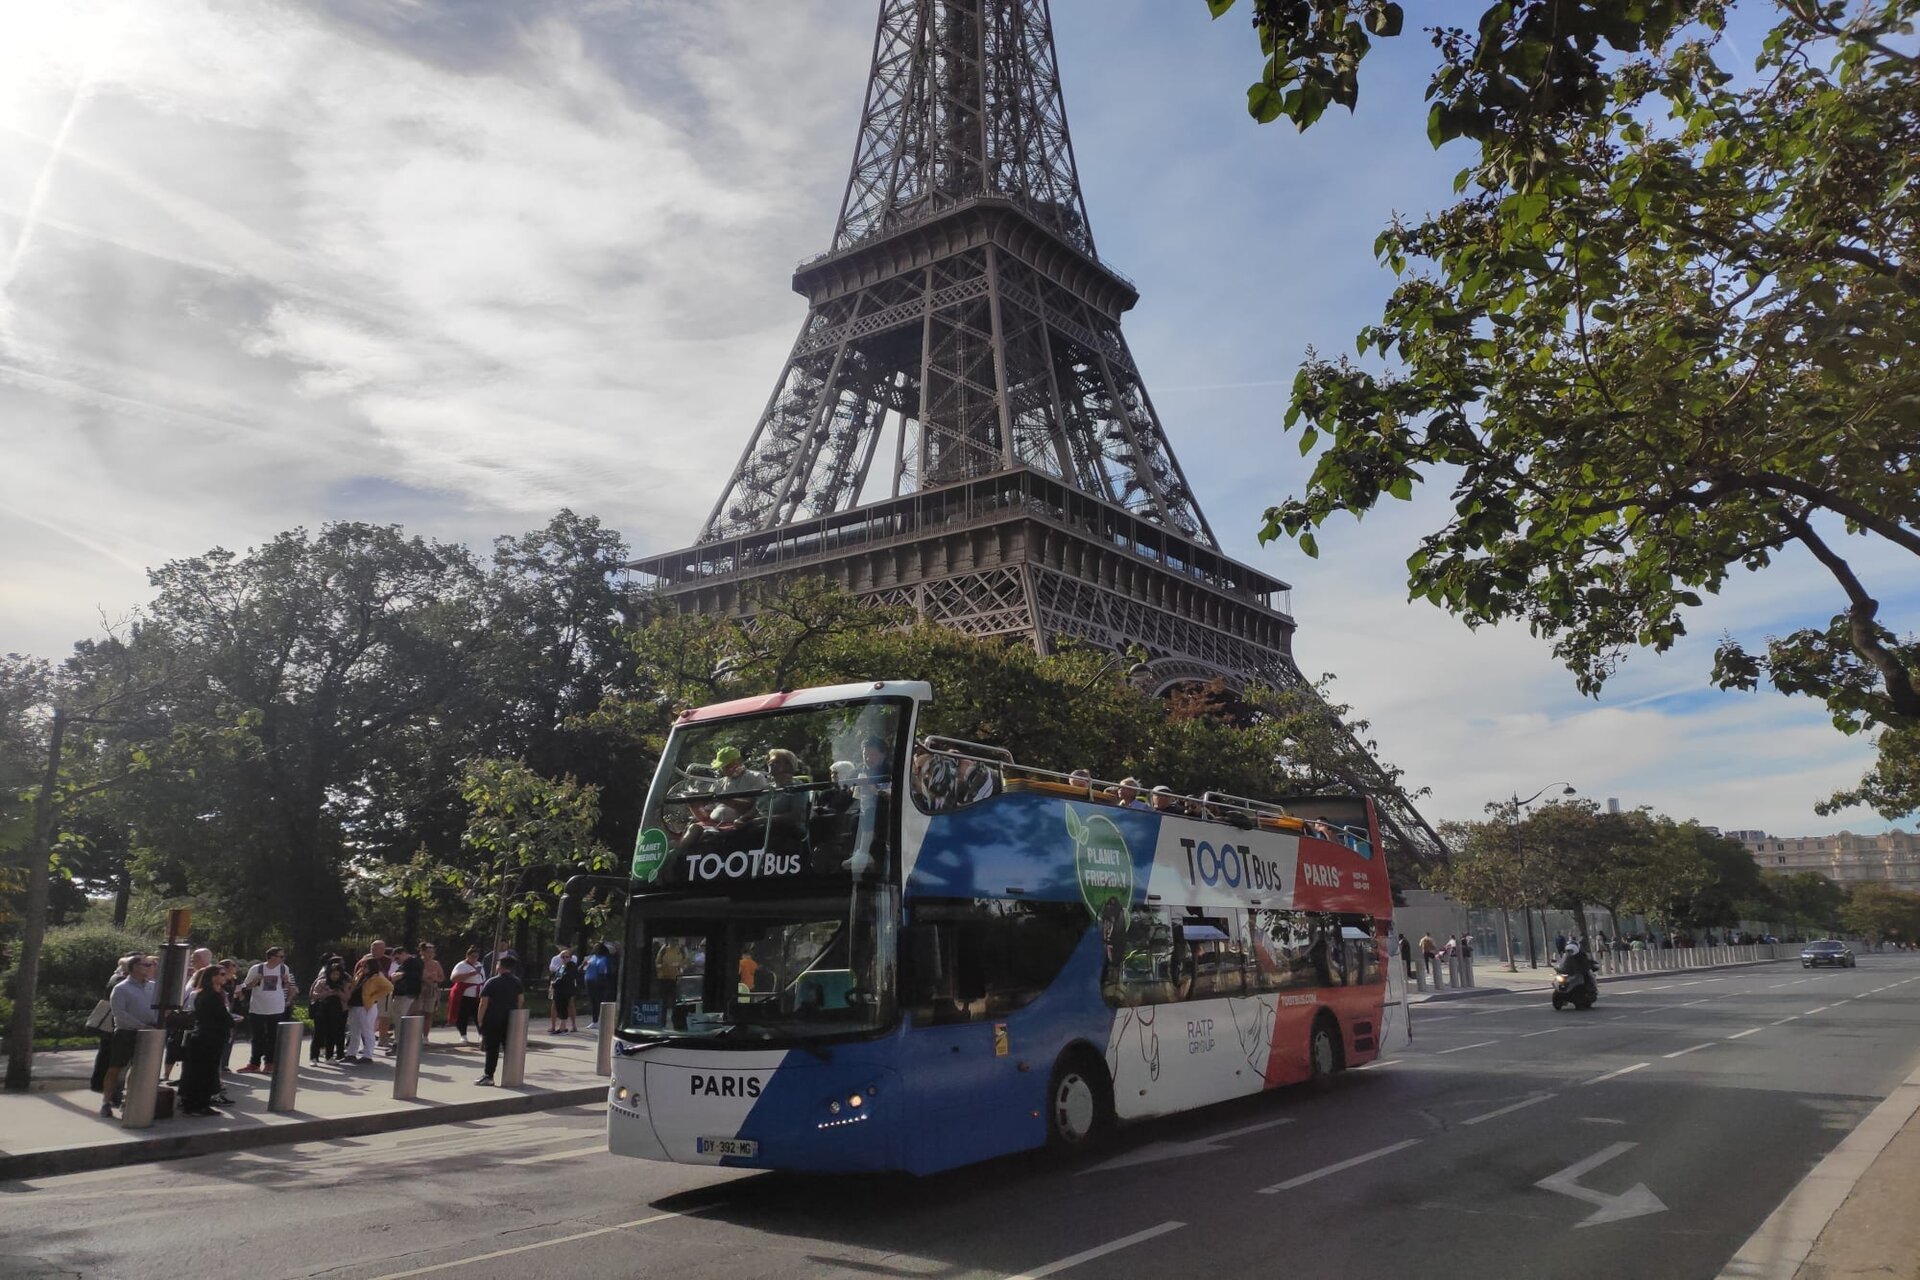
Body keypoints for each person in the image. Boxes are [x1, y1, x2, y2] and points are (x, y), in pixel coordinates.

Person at [99, 954, 157, 1115]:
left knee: (139, 1070)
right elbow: (119, 1013)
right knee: (115, 1069)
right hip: (126, 1033)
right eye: (146, 965)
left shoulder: (153, 986)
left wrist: (155, 1023)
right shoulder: (121, 988)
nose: (150, 967)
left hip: (148, 1034)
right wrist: (141, 1026)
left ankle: (130, 1101)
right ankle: (106, 1102)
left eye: (150, 964)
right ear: (134, 968)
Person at [177, 963, 234, 1116]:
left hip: (208, 1036)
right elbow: (221, 1016)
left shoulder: (210, 994)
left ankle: (200, 1103)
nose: (225, 977)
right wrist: (232, 1021)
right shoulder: (210, 995)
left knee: (205, 1072)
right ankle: (195, 1105)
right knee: (202, 1072)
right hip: (208, 1037)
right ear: (212, 977)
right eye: (221, 974)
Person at [237, 946, 295, 1074]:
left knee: (273, 1037)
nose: (283, 959)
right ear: (271, 957)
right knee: (257, 1037)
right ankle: (254, 1063)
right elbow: (246, 987)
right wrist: (256, 981)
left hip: (276, 1007)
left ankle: (270, 1063)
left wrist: (285, 983)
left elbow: (287, 986)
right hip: (258, 1007)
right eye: (280, 956)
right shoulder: (257, 968)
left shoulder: (283, 968)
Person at [477, 955, 527, 1086]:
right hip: (510, 1019)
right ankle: (512, 1075)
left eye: (498, 964)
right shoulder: (517, 982)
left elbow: (483, 1002)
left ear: (501, 966)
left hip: (493, 1019)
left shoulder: (492, 982)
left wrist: (480, 1020)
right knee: (509, 1047)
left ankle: (489, 1076)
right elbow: (521, 999)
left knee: (492, 1049)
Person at [91, 954, 135, 1097]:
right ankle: (100, 1084)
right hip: (113, 1023)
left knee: (105, 1053)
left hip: (110, 1022)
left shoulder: (115, 977)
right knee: (108, 1055)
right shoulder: (120, 981)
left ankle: (98, 1082)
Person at [344, 956, 392, 1063]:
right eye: (362, 965)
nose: (363, 967)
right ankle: (351, 1053)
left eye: (365, 965)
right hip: (355, 1005)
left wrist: (374, 996)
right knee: (354, 1031)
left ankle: (367, 1055)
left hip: (367, 1006)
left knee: (367, 1030)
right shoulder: (360, 974)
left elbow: (389, 987)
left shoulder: (377, 976)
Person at [309, 958, 350, 1063]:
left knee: (332, 1033)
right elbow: (314, 995)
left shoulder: (343, 984)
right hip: (322, 1010)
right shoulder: (322, 982)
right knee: (318, 1033)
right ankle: (314, 1056)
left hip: (337, 1011)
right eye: (333, 974)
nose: (335, 976)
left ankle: (329, 1056)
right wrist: (327, 993)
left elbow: (347, 997)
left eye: (337, 974)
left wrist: (338, 993)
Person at [385, 944, 424, 1054]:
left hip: (407, 993)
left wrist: (402, 975)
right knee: (398, 1017)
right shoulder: (405, 964)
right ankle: (400, 1042)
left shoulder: (414, 962)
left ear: (403, 954)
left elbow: (417, 975)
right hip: (401, 993)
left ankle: (398, 1044)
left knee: (400, 1018)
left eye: (397, 958)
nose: (397, 961)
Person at [448, 945, 486, 1043]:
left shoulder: (479, 965)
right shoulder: (461, 965)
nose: (474, 958)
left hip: (478, 995)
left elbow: (483, 979)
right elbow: (453, 978)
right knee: (462, 1015)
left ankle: (481, 1034)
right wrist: (471, 974)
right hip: (465, 995)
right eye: (473, 956)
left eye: (476, 956)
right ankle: (463, 1035)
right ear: (467, 956)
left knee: (479, 1015)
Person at [550, 952, 580, 1034]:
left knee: (564, 1007)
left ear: (570, 958)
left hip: (567, 990)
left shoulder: (571, 966)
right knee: (559, 1006)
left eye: (567, 957)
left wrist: (555, 983)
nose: (565, 959)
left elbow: (565, 977)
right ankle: (562, 1026)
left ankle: (562, 1028)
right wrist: (554, 982)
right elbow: (557, 976)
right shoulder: (562, 966)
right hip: (559, 990)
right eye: (563, 957)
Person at [584, 942, 613, 1027]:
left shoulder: (604, 959)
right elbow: (582, 969)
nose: (594, 948)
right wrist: (583, 965)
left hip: (597, 982)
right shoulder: (591, 957)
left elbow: (603, 971)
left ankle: (598, 1020)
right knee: (593, 1001)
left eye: (596, 947)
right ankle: (595, 1020)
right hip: (588, 981)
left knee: (598, 1001)